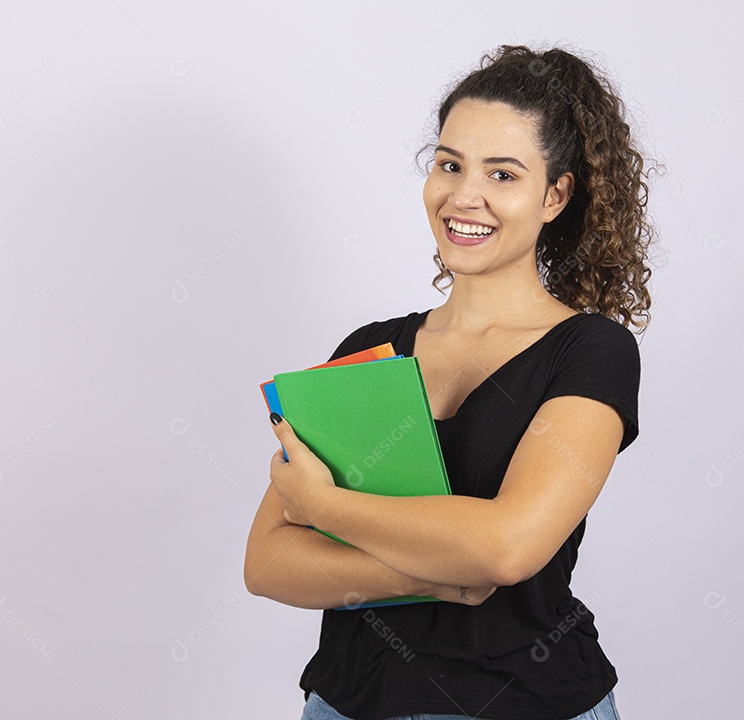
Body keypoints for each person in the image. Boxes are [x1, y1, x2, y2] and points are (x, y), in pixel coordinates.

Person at [244, 43, 661, 720]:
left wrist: (324, 508)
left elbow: (508, 547)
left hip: (529, 702)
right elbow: (267, 563)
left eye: (503, 174)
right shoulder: (369, 351)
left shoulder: (591, 352)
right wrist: (438, 572)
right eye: (449, 164)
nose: (464, 196)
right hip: (351, 702)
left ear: (555, 195)